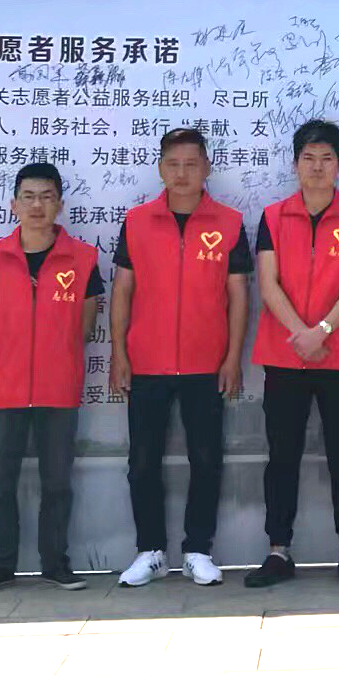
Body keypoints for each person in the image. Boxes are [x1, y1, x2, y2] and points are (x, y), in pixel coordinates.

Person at [110, 128, 251, 587]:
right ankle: (150, 551)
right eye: (173, 164)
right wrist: (119, 352)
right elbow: (123, 290)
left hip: (206, 363)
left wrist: (232, 357)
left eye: (191, 164)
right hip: (146, 362)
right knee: (142, 462)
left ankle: (197, 550)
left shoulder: (229, 223)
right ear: (160, 169)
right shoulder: (137, 221)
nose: (182, 173)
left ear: (207, 167)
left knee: (206, 460)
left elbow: (238, 295)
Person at [243, 119, 339, 589]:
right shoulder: (273, 217)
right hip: (284, 354)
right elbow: (268, 283)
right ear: (295, 164)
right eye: (308, 158)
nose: (317, 167)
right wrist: (301, 334)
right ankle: (278, 550)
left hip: (338, 355)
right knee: (283, 456)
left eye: (327, 159)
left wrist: (321, 331)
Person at [0, 162, 103, 594]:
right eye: (28, 197)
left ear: (60, 204)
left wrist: (53, 355)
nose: (37, 205)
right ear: (14, 205)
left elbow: (85, 325)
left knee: (57, 483)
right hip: (4, 387)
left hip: (58, 387)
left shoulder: (83, 258)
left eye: (46, 197)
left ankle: (55, 564)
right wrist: (12, 356)